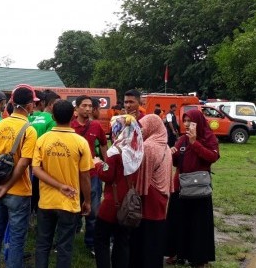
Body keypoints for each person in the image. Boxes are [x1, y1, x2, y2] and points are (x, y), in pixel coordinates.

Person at [33, 100, 92, 268]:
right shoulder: (80, 142)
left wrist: (57, 186)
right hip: (69, 201)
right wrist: (87, 201)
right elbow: (85, 176)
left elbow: (36, 170)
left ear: (52, 116)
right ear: (73, 115)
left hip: (46, 201)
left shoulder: (42, 140)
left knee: (43, 243)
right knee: (65, 246)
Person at [0, 84, 38, 268]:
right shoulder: (29, 130)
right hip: (18, 191)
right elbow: (24, 163)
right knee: (17, 237)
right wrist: (6, 187)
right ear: (30, 105)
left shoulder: (0, 125)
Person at [164, 109, 219, 267]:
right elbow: (176, 162)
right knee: (178, 221)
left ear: (199, 122)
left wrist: (195, 143)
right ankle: (177, 253)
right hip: (180, 187)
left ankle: (199, 257)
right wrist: (171, 153)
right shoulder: (181, 140)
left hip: (200, 189)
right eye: (185, 121)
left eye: (190, 121)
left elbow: (212, 157)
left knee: (199, 224)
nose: (187, 124)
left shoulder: (209, 138)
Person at [93, 114, 144, 268]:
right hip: (129, 202)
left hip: (111, 204)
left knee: (101, 239)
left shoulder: (115, 151)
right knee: (122, 241)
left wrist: (98, 164)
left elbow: (106, 175)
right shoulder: (138, 149)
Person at [129, 114, 173, 267]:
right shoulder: (165, 146)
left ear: (152, 127)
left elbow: (140, 175)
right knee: (156, 233)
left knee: (145, 234)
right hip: (162, 195)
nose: (141, 130)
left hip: (150, 195)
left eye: (143, 127)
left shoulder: (148, 146)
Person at [70, 95, 108, 257]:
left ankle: (91, 243)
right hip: (71, 175)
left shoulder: (96, 126)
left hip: (92, 175)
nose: (87, 109)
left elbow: (104, 145)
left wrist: (107, 165)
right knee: (70, 209)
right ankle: (66, 241)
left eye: (90, 106)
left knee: (93, 211)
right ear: (76, 108)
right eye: (84, 105)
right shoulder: (69, 126)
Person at [29, 90, 59, 215]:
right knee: (39, 190)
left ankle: (28, 214)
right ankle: (37, 214)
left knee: (30, 189)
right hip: (41, 161)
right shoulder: (51, 120)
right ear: (51, 105)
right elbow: (49, 143)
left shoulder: (30, 117)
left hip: (27, 159)